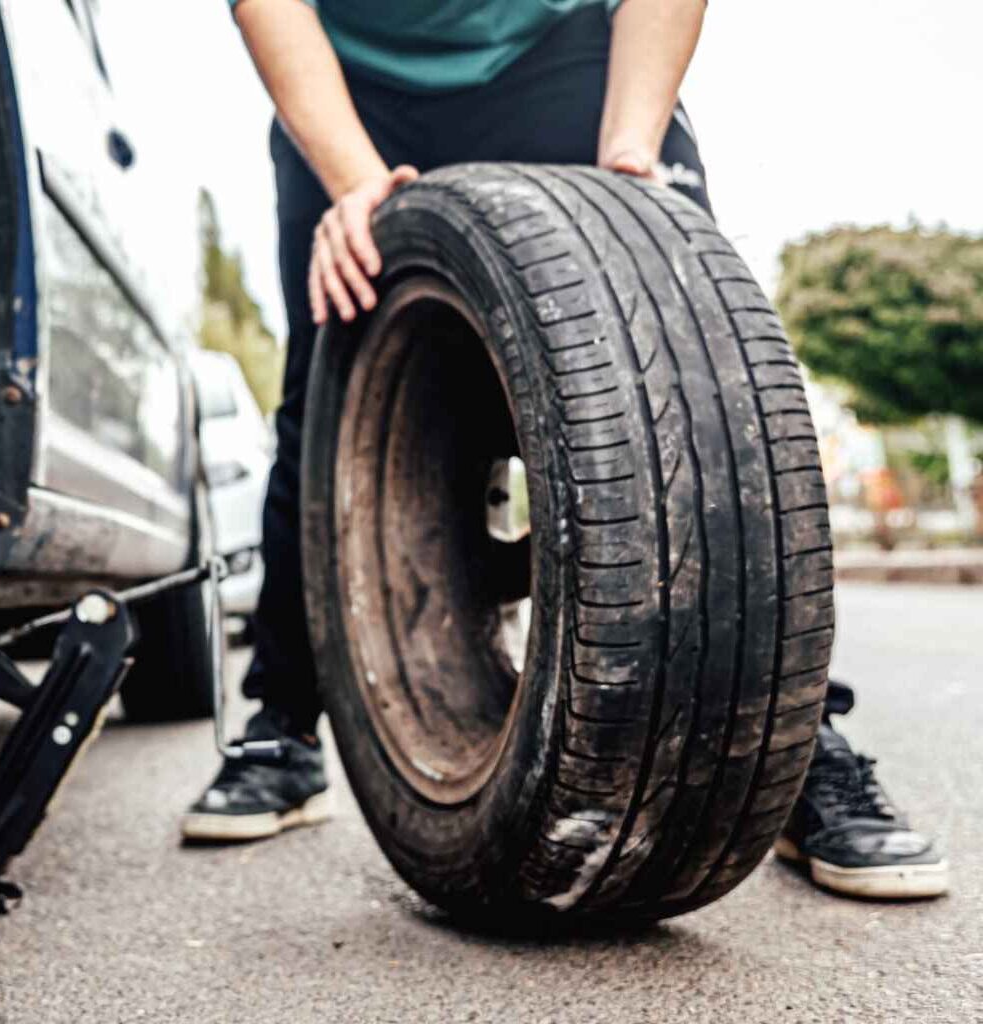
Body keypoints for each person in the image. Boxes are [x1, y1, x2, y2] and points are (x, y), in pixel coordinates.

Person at [182, 0, 949, 901]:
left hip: (563, 52)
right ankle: (285, 725)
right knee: (328, 397)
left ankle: (785, 742)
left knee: (693, 378)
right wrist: (356, 184)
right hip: (355, 81)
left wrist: (630, 153)